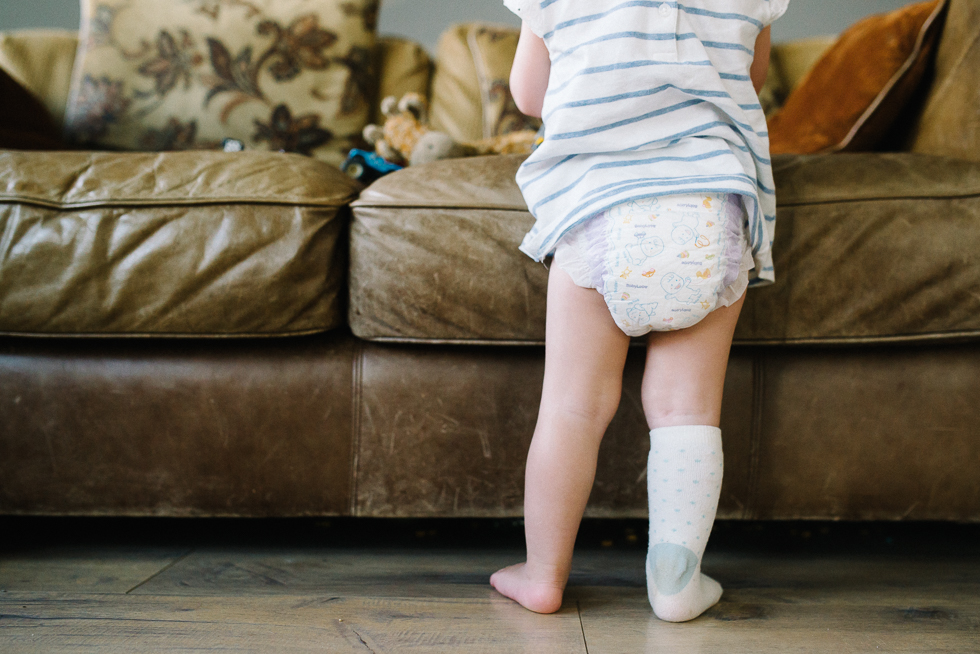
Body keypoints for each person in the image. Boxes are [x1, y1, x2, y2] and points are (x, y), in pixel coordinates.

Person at [489, 0, 789, 621]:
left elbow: (528, 93)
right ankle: (677, 584)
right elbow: (749, 78)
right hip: (709, 203)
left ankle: (543, 575)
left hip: (597, 204)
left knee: (572, 407)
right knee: (686, 409)